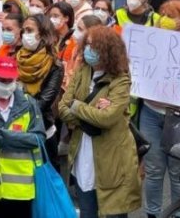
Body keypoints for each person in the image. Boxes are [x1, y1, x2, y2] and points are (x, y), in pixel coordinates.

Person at [58, 26, 141, 218]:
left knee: (113, 212)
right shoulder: (82, 71)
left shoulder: (121, 79)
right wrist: (90, 111)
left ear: (107, 51)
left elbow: (107, 118)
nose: (88, 50)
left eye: (94, 46)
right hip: (83, 151)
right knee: (87, 210)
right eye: (87, 44)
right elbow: (63, 107)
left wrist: (77, 107)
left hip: (111, 157)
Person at [0, 57, 45, 218]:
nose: (6, 84)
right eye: (1, 79)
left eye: (10, 80)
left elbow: (37, 139)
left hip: (22, 188)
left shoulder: (28, 103)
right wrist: (18, 138)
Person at [15, 15, 63, 167]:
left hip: (41, 129)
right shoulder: (17, 57)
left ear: (42, 34)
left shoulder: (54, 64)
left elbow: (44, 101)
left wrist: (15, 109)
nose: (25, 35)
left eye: (30, 30)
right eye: (23, 31)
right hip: (15, 130)